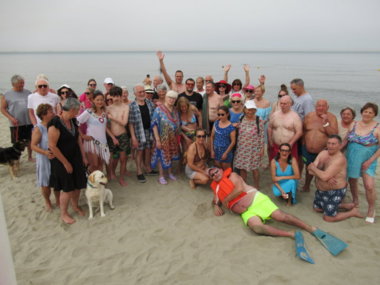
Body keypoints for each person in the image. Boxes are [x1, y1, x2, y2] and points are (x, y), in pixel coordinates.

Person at [209, 167, 317, 238]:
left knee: (281, 217)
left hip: (256, 200)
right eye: (212, 175)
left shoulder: (232, 176)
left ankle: (308, 227)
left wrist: (226, 200)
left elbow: (239, 189)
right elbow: (215, 200)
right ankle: (289, 234)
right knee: (257, 228)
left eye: (216, 171)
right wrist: (215, 206)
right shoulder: (217, 189)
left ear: (221, 170)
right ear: (212, 179)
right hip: (246, 212)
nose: (215, 174)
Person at [48, 98, 87, 224]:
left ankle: (75, 205)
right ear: (72, 109)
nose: (78, 112)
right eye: (77, 110)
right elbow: (52, 146)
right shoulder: (55, 123)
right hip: (61, 159)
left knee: (78, 184)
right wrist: (65, 163)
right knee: (67, 187)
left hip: (75, 156)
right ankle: (64, 213)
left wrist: (83, 157)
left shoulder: (73, 121)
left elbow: (78, 140)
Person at [308, 135, 363, 222]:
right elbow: (309, 171)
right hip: (321, 190)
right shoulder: (323, 153)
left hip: (335, 192)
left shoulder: (339, 159)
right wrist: (325, 176)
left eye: (333, 144)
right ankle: (344, 206)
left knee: (328, 218)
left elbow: (315, 170)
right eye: (329, 143)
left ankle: (352, 212)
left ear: (340, 145)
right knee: (317, 209)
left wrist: (316, 170)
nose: (330, 146)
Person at [345, 103, 380, 223]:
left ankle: (371, 209)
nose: (367, 114)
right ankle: (355, 201)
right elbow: (346, 140)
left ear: (375, 114)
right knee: (353, 180)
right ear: (362, 112)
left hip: (367, 160)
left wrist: (370, 161)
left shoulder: (377, 128)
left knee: (369, 186)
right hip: (352, 156)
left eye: (371, 112)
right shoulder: (354, 124)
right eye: (366, 111)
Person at [301, 100, 338, 192]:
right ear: (315, 107)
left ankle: (321, 189)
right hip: (307, 149)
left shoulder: (332, 117)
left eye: (323, 106)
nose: (320, 108)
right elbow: (304, 129)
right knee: (308, 168)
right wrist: (303, 143)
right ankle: (307, 186)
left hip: (322, 151)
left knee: (322, 170)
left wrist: (325, 123)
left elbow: (334, 135)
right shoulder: (309, 116)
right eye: (318, 106)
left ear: (327, 107)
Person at [30, 104, 59, 211]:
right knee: (45, 183)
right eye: (51, 111)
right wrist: (45, 152)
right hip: (44, 159)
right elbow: (33, 145)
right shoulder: (39, 128)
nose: (53, 113)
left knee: (57, 181)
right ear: (43, 115)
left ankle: (58, 199)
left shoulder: (54, 125)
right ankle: (47, 201)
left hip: (56, 157)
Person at [1, 74, 33, 161]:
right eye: (20, 83)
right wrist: (11, 118)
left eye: (23, 83)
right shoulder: (7, 94)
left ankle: (30, 156)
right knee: (16, 141)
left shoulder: (28, 93)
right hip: (15, 123)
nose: (22, 85)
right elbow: (2, 109)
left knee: (30, 140)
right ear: (13, 84)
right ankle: (16, 158)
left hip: (28, 122)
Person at [129, 85, 157, 183]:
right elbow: (131, 123)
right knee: (140, 152)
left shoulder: (149, 103)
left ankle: (148, 168)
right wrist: (133, 138)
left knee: (148, 150)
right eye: (139, 92)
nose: (142, 93)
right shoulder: (132, 106)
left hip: (149, 131)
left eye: (143, 91)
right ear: (135, 94)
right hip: (138, 132)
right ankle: (139, 171)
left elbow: (154, 119)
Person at [151, 90, 181, 184]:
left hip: (172, 137)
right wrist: (157, 140)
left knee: (170, 155)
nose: (171, 100)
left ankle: (169, 173)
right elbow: (154, 124)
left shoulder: (175, 110)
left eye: (173, 98)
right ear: (165, 98)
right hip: (162, 137)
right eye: (170, 98)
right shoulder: (159, 109)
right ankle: (161, 176)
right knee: (161, 156)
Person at [77, 90, 110, 173]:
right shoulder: (88, 112)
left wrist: (113, 138)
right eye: (97, 100)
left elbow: (104, 127)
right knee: (94, 165)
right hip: (91, 142)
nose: (100, 102)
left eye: (102, 100)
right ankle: (90, 181)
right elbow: (76, 122)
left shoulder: (104, 112)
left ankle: (99, 183)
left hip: (103, 143)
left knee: (100, 164)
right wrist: (83, 135)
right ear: (93, 100)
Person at [233, 100, 264, 188]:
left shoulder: (259, 120)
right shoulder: (241, 118)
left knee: (255, 169)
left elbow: (262, 135)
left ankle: (256, 186)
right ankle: (244, 185)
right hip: (242, 148)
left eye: (252, 109)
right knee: (242, 169)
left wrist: (261, 149)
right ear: (244, 109)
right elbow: (240, 128)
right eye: (248, 109)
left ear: (255, 110)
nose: (250, 111)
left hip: (254, 149)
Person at [106, 86, 130, 186]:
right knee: (109, 158)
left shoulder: (125, 107)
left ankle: (121, 178)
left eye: (118, 96)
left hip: (122, 134)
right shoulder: (108, 108)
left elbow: (124, 122)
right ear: (111, 96)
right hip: (111, 136)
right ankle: (109, 175)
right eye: (114, 96)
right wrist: (112, 137)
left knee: (123, 158)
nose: (116, 98)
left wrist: (112, 118)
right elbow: (105, 126)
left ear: (121, 96)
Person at [268, 95, 302, 161]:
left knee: (290, 167)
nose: (282, 105)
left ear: (290, 104)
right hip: (276, 146)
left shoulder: (295, 116)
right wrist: (270, 140)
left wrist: (291, 143)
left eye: (285, 104)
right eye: (281, 103)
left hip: (289, 147)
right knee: (275, 165)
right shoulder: (275, 114)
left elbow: (299, 132)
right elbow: (270, 127)